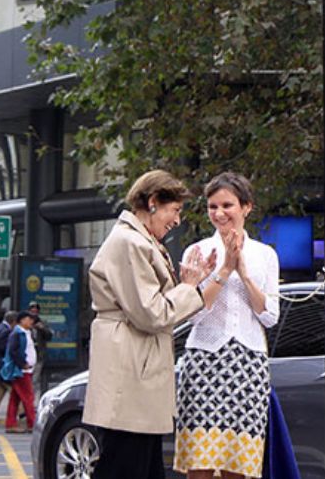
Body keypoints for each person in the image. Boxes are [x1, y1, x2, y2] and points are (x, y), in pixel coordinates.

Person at [83, 170, 215, 479]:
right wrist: (190, 287)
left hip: (138, 368)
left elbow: (158, 308)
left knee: (142, 465)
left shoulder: (141, 241)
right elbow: (152, 313)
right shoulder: (130, 242)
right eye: (175, 210)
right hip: (131, 370)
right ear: (154, 202)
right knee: (127, 464)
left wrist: (192, 284)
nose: (177, 220)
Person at [174, 173, 280, 479]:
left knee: (239, 463)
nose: (219, 213)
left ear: (246, 207)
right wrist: (223, 271)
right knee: (200, 461)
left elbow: (269, 316)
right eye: (212, 206)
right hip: (204, 360)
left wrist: (244, 274)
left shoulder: (265, 255)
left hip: (249, 363)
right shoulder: (196, 252)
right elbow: (193, 315)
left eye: (227, 205)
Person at [0, 311, 37, 433]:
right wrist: (23, 364)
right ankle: (32, 423)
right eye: (28, 319)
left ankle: (11, 423)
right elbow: (14, 351)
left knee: (15, 399)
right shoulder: (18, 333)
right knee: (28, 397)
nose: (31, 321)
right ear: (21, 320)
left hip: (25, 369)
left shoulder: (26, 333)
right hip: (21, 371)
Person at [27, 302, 53, 401]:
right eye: (32, 310)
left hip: (38, 355)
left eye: (36, 311)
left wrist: (42, 329)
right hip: (28, 356)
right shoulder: (26, 323)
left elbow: (49, 336)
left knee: (35, 380)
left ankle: (32, 400)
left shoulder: (41, 323)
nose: (34, 313)